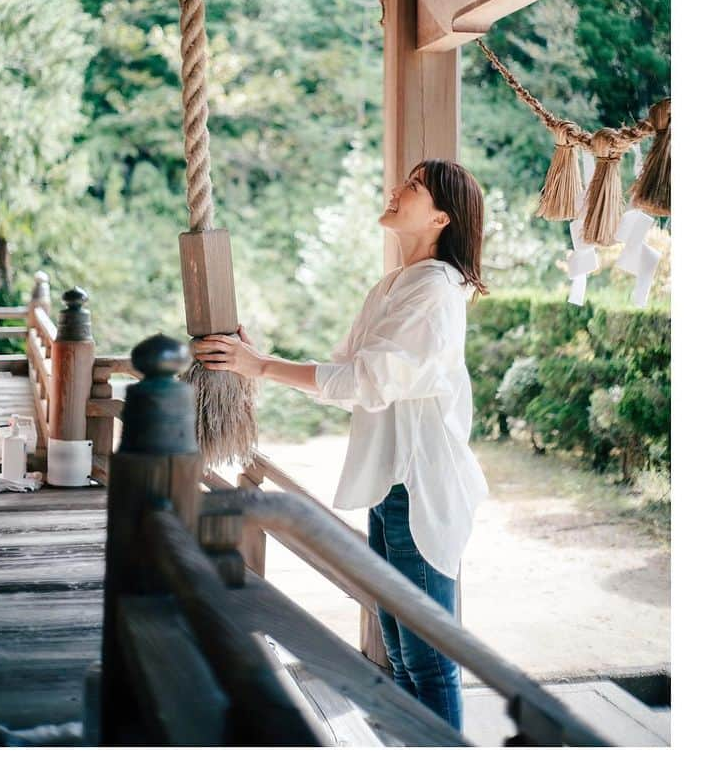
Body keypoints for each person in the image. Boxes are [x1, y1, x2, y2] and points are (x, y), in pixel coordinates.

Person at [192, 158, 489, 732]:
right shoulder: (398, 284)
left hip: (418, 486)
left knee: (427, 660)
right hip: (393, 483)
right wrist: (258, 361)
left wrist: (263, 366)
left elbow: (367, 381)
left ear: (441, 218)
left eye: (414, 186)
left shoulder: (434, 289)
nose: (397, 189)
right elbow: (344, 372)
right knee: (402, 655)